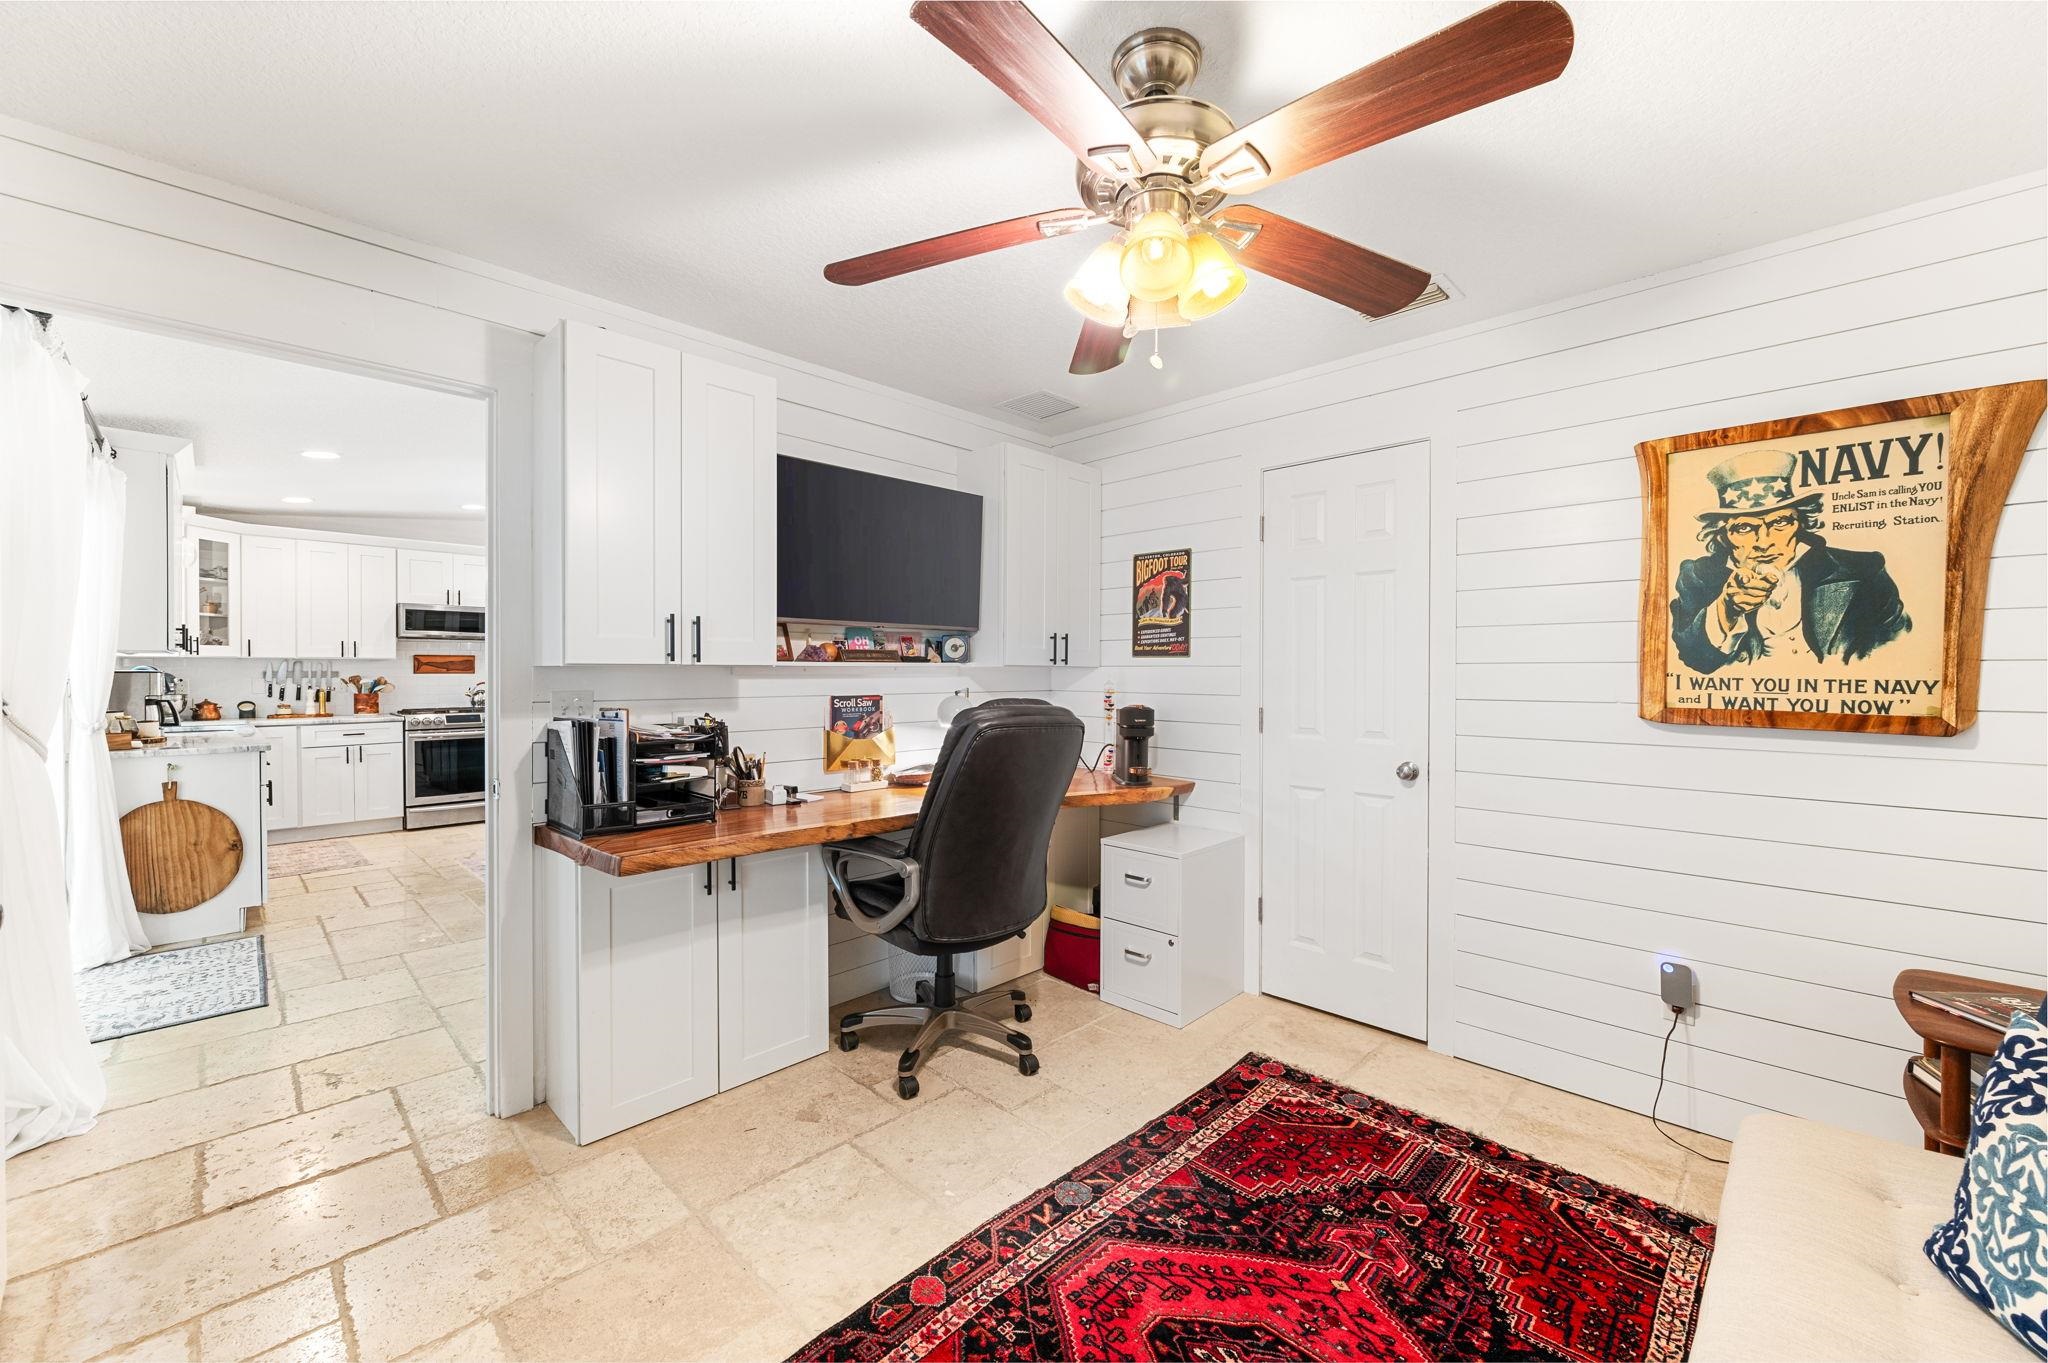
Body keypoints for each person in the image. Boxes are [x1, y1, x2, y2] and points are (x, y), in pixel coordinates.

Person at [1669, 449, 1909, 674]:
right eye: (1744, 527)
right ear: (1723, 536)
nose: (1764, 542)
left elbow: (1897, 652)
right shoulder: (1697, 576)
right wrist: (1727, 608)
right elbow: (1693, 659)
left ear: (1801, 524)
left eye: (1780, 523)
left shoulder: (1863, 571)